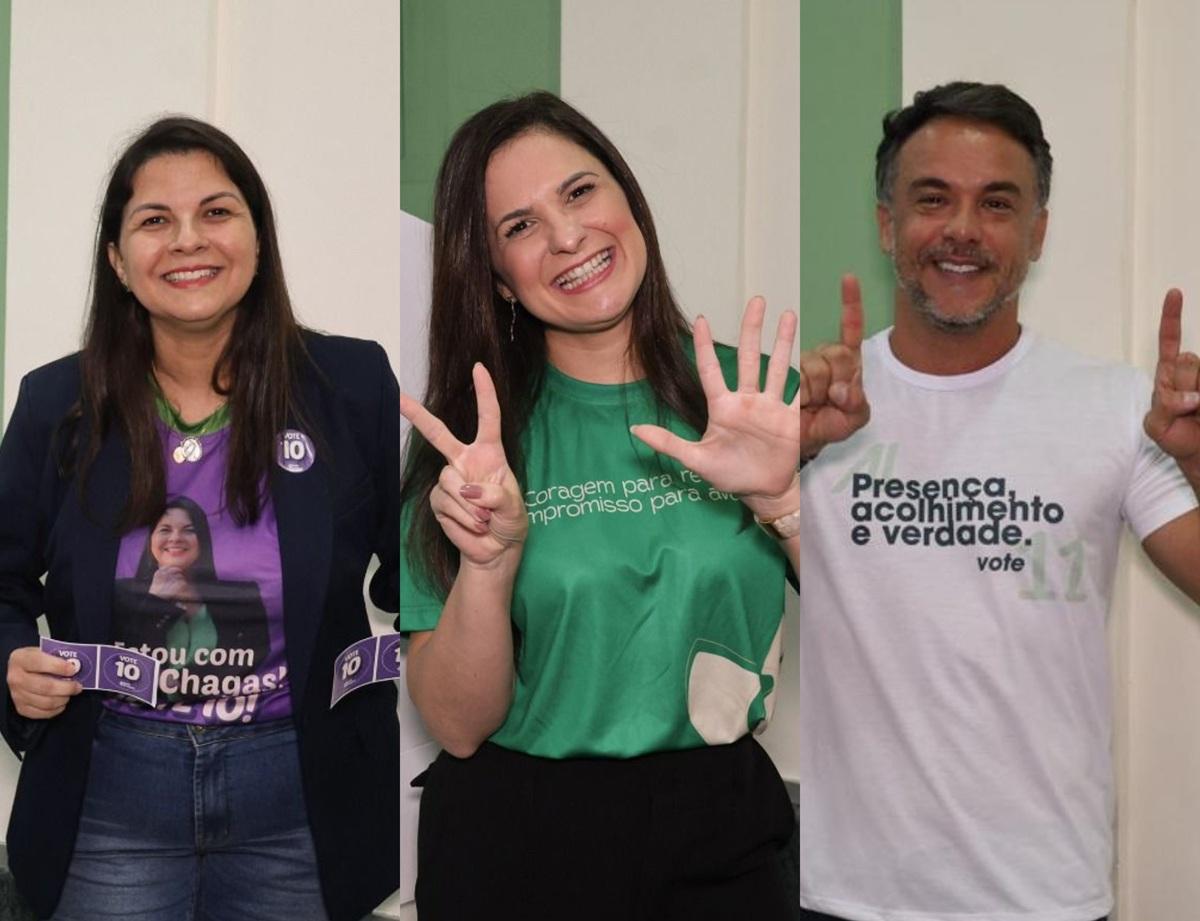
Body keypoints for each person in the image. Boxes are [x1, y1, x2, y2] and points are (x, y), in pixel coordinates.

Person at [798, 81, 1200, 921]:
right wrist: (781, 454)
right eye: (931, 199)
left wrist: (1197, 461)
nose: (962, 230)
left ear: (1037, 231)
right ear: (886, 223)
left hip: (1046, 896)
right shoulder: (814, 411)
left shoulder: (1117, 407)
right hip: (849, 897)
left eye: (997, 203)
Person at [399, 91, 801, 920]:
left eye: (579, 192)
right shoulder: (472, 447)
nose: (567, 236)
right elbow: (457, 724)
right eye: (521, 226)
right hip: (517, 844)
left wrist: (784, 500)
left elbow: (884, 643)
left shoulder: (758, 400)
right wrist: (489, 563)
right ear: (497, 278)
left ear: (628, 198)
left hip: (723, 831)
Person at [0, 116, 399, 921]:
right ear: (118, 260)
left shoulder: (352, 384)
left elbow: (422, 577)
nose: (188, 239)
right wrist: (9, 658)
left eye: (216, 212)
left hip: (303, 803)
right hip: (107, 801)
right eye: (156, 220)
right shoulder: (56, 402)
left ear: (258, 236)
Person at [112, 495, 270, 699]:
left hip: (224, 712)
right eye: (165, 530)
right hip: (141, 715)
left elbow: (257, 659)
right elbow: (120, 663)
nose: (176, 538)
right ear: (151, 541)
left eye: (189, 530)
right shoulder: (121, 593)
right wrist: (155, 601)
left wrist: (194, 604)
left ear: (202, 540)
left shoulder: (243, 596)